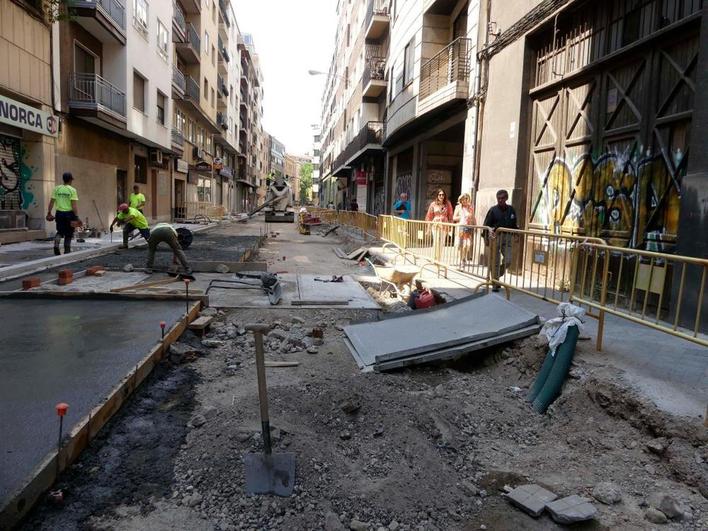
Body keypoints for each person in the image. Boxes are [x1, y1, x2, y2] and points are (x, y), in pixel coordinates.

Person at [483, 189, 519, 291]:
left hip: (507, 237)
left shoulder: (511, 210)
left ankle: (498, 274)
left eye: (502, 198)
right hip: (495, 237)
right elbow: (486, 225)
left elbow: (514, 223)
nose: (500, 200)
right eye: (498, 198)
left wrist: (516, 234)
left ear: (506, 198)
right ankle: (495, 283)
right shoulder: (493, 210)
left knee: (508, 259)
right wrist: (486, 238)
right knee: (495, 260)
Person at [46, 172, 80, 255]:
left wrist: (49, 212)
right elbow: (74, 205)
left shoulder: (57, 189)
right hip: (69, 214)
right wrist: (76, 216)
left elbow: (51, 202)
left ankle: (56, 245)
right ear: (70, 180)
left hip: (59, 213)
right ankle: (67, 251)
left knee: (60, 231)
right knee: (68, 233)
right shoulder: (72, 190)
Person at [425, 189, 453, 262]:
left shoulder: (448, 204)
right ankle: (434, 258)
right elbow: (429, 216)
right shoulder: (433, 204)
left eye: (443, 194)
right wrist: (428, 228)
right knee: (436, 241)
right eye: (439, 194)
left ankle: (439, 259)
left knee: (442, 242)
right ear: (437, 195)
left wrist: (450, 226)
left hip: (444, 225)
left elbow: (450, 215)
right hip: (435, 225)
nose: (441, 196)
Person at [453, 193, 476, 266]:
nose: (465, 200)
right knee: (461, 245)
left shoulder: (470, 208)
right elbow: (454, 218)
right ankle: (461, 259)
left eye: (466, 199)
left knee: (468, 245)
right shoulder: (458, 207)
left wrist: (475, 225)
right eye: (463, 199)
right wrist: (461, 217)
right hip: (460, 228)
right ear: (461, 200)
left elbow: (473, 217)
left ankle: (464, 257)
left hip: (468, 228)